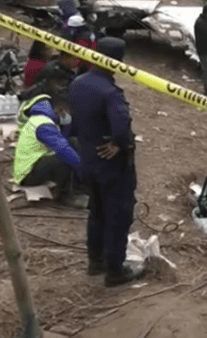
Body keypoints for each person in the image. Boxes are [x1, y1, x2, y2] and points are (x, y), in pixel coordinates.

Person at [69, 37, 143, 287]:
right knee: (118, 214)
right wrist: (119, 144)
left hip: (88, 158)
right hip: (112, 165)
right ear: (117, 62)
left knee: (96, 210)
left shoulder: (77, 84)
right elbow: (121, 129)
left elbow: (74, 125)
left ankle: (95, 261)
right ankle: (115, 269)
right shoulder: (111, 93)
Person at [13, 93, 86, 207]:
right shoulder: (44, 125)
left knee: (72, 143)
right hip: (28, 173)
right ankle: (66, 197)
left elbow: (63, 139)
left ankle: (79, 186)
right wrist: (84, 169)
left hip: (34, 164)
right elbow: (63, 149)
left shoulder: (41, 120)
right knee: (63, 159)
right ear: (61, 109)